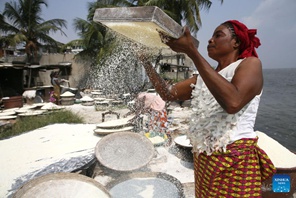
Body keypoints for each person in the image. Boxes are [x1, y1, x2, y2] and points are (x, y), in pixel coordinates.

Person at [139, 20, 276, 197]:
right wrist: (145, 63)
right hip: (204, 159)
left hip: (235, 160)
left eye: (218, 35)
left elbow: (233, 102)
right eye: (211, 36)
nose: (210, 40)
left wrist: (192, 52)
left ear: (236, 42)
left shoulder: (249, 64)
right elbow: (167, 94)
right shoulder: (204, 77)